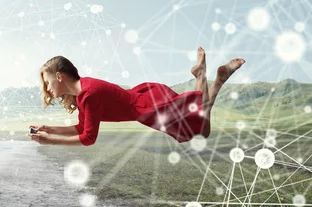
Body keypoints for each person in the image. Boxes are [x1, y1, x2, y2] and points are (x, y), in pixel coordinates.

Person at [28, 47, 245, 146]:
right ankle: (204, 75)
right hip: (146, 101)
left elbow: (88, 138)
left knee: (201, 130)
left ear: (59, 76)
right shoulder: (84, 92)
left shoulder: (88, 94)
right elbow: (80, 128)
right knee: (198, 126)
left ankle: (216, 78)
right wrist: (48, 129)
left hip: (147, 107)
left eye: (47, 82)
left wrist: (51, 141)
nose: (46, 88)